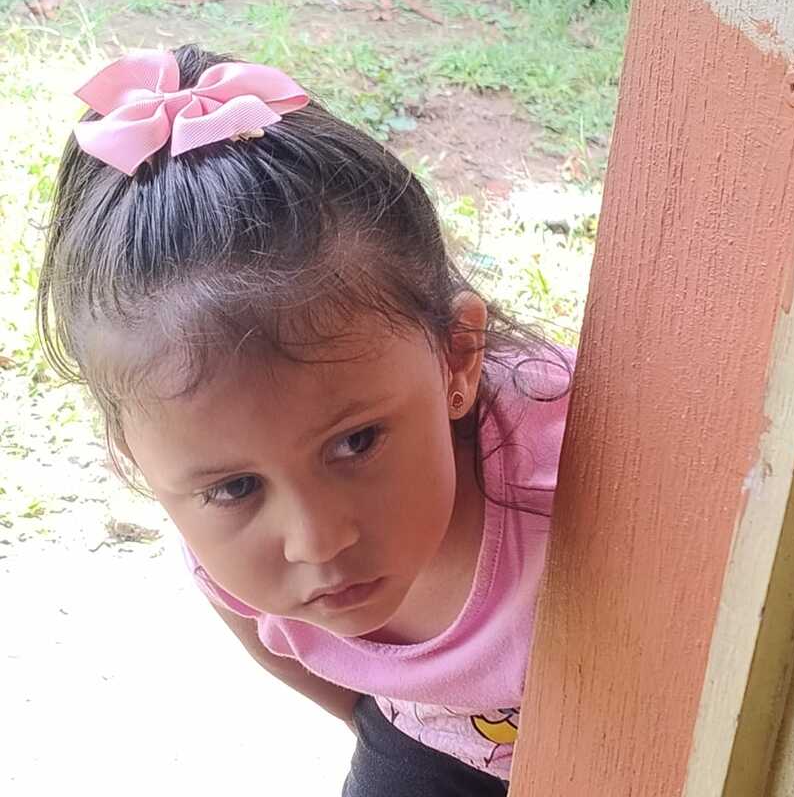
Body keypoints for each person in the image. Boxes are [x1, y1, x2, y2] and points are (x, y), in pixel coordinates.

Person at [37, 44, 574, 796]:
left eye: (356, 441)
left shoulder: (570, 462)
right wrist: (375, 728)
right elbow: (284, 651)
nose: (318, 541)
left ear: (457, 358)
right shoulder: (221, 549)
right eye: (236, 488)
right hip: (432, 740)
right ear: (134, 460)